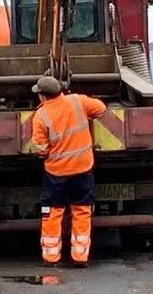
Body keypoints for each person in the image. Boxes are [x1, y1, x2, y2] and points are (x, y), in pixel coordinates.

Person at [31, 75, 107, 268]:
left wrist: (47, 153)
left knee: (52, 213)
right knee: (81, 211)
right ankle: (80, 257)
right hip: (82, 168)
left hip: (56, 173)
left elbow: (41, 149)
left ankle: (51, 257)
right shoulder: (78, 101)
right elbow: (101, 109)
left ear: (42, 96)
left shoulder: (41, 116)